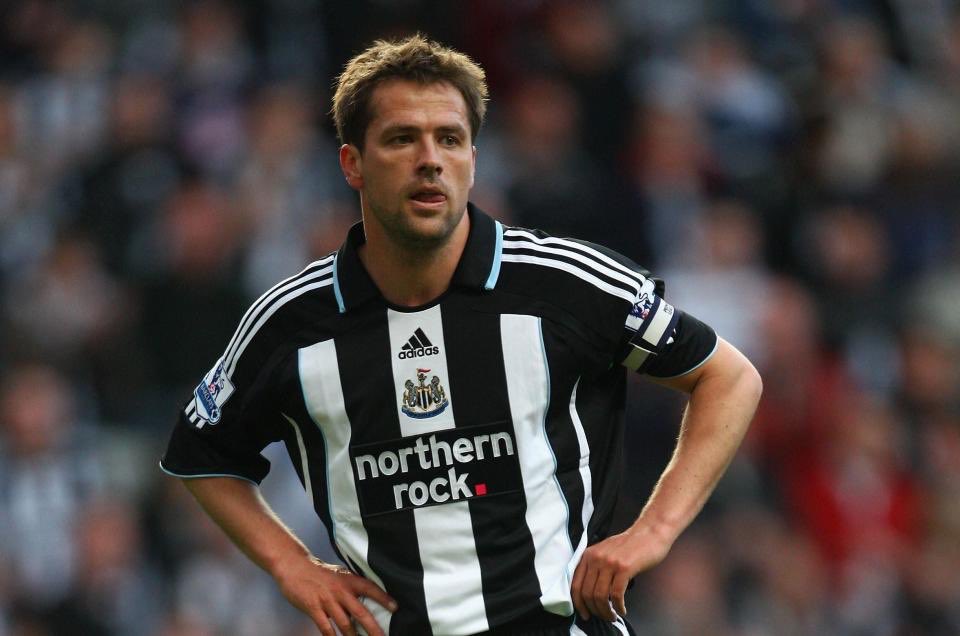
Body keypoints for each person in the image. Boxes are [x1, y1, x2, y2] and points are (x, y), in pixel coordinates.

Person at [160, 34, 762, 636]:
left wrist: (653, 533)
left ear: (473, 160)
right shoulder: (291, 322)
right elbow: (200, 453)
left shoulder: (565, 284)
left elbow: (729, 377)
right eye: (402, 139)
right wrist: (292, 567)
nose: (430, 159)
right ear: (352, 164)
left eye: (449, 139)